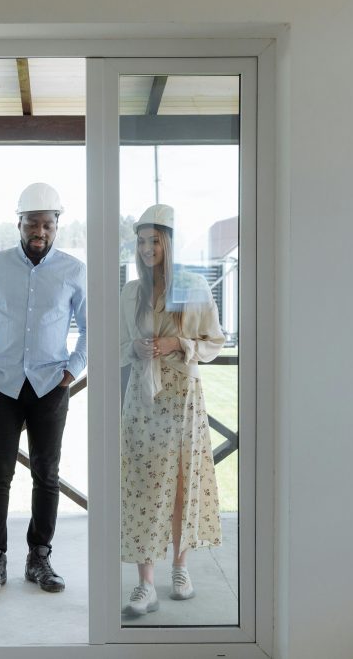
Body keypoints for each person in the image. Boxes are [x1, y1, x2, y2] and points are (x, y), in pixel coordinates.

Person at [0, 183, 87, 594]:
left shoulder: (74, 270)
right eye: (32, 223)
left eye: (47, 224)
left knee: (47, 474)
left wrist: (72, 371)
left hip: (51, 385)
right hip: (2, 385)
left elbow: (92, 327)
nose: (40, 231)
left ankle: (40, 558)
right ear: (19, 223)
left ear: (57, 225)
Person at [118, 204, 225, 617]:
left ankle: (181, 569)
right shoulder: (131, 292)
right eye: (142, 242)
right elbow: (116, 344)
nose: (147, 249)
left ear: (169, 242)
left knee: (182, 482)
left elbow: (215, 341)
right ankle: (145, 583)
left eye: (155, 241)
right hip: (142, 396)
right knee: (142, 483)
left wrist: (178, 343)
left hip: (182, 395)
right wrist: (136, 347)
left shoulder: (193, 287)